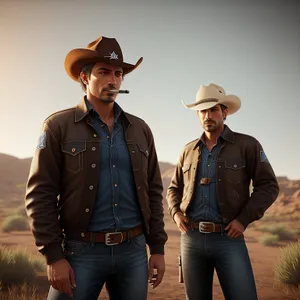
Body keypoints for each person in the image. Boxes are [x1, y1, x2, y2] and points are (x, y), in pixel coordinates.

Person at [25, 36, 167, 300]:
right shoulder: (58, 126)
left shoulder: (140, 130)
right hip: (80, 252)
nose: (112, 80)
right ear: (84, 77)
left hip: (133, 252)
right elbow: (39, 194)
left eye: (118, 73)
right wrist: (54, 256)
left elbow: (154, 191)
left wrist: (156, 247)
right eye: (103, 72)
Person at [166, 83, 279, 300]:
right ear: (198, 115)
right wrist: (176, 213)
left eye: (213, 109)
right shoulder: (187, 150)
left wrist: (243, 219)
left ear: (224, 112)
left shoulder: (247, 145)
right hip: (191, 239)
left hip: (228, 238)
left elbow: (269, 186)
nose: (208, 115)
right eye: (203, 111)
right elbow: (173, 188)